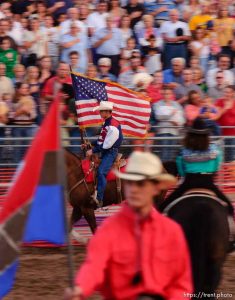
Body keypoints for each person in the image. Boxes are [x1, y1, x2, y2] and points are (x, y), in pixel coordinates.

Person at [64, 151, 193, 300]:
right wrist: (80, 288)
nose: (134, 189)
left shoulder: (172, 233)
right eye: (130, 182)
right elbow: (93, 267)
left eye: (141, 183)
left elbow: (181, 284)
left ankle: (97, 197)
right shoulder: (108, 231)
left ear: (156, 188)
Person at [160, 117, 234, 217]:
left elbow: (182, 172)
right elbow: (216, 168)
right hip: (208, 183)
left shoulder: (183, 151)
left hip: (189, 182)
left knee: (164, 206)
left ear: (191, 134)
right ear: (206, 135)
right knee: (229, 207)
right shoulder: (215, 150)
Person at [85, 101, 123, 208]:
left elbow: (107, 145)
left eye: (101, 111)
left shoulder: (112, 126)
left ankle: (99, 198)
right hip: (106, 150)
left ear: (107, 112)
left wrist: (93, 150)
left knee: (101, 172)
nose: (99, 113)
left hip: (110, 152)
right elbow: (102, 140)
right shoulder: (107, 122)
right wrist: (90, 144)